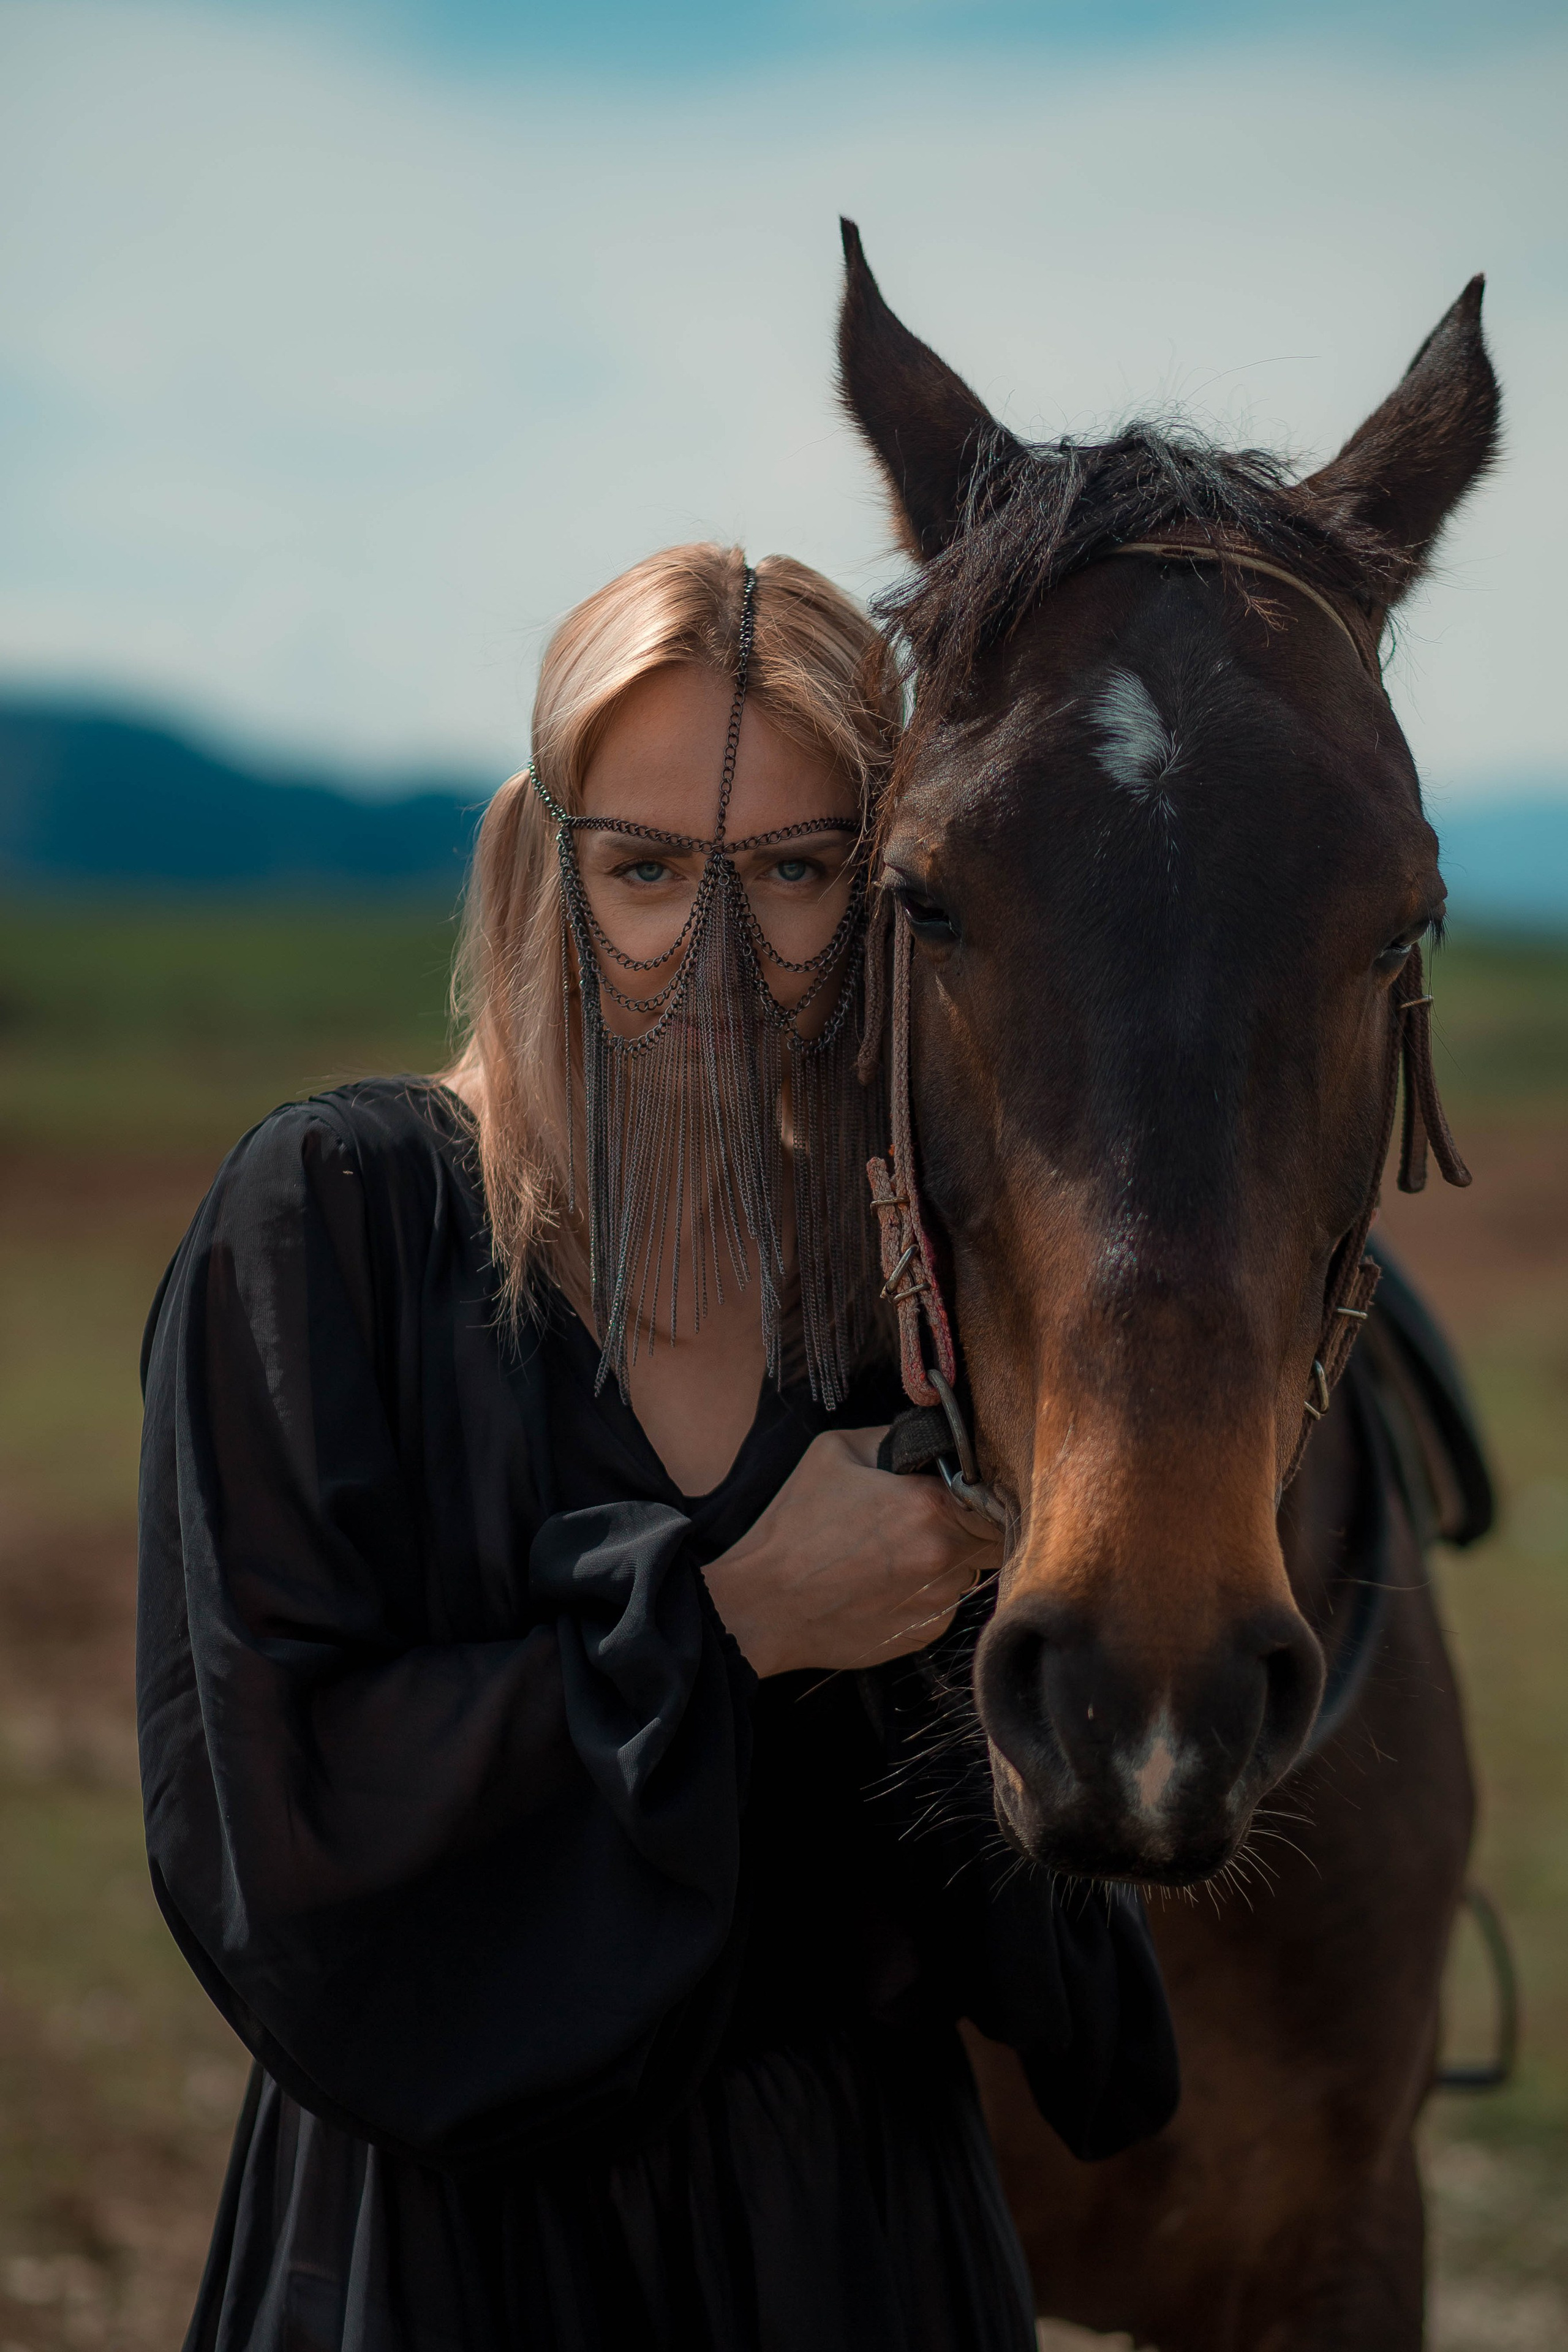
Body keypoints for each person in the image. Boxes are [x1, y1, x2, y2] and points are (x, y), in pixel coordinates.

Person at [137, 544, 1178, 2352]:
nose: (711, 950)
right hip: (446, 2240)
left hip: (854, 2237)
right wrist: (734, 1622)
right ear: (545, 864)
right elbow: (271, 1813)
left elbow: (1028, 1888)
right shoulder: (336, 1222)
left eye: (791, 871)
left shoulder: (895, 1293)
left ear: (878, 893)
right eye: (643, 870)